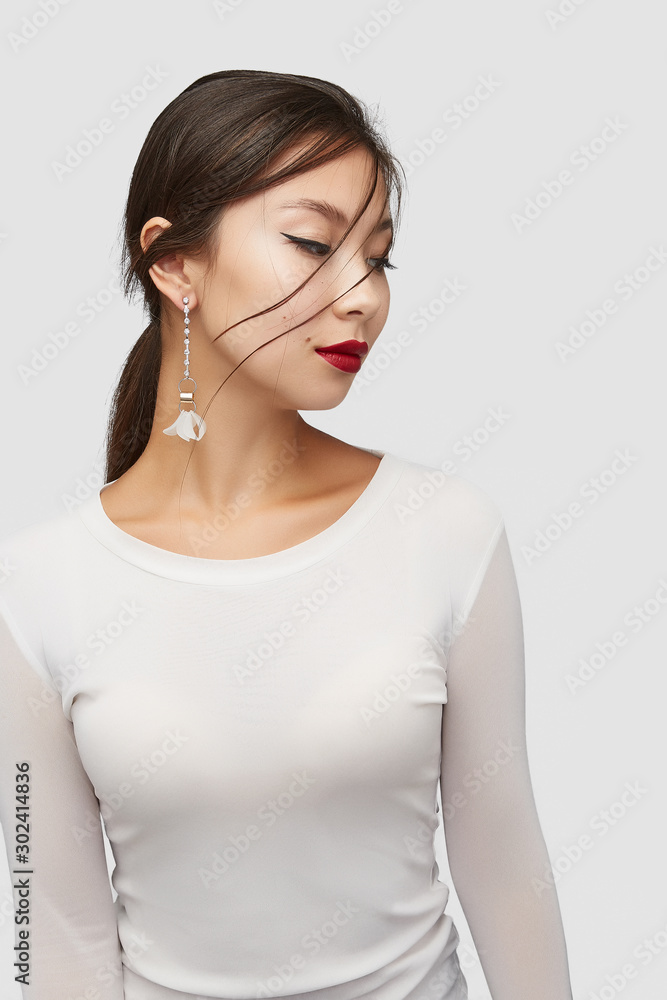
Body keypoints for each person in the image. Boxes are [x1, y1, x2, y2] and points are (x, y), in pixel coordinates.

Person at [0, 70, 574, 1000]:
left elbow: (505, 862)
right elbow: (47, 933)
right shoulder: (34, 588)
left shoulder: (446, 533)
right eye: (313, 244)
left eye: (378, 257)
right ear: (172, 262)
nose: (361, 297)